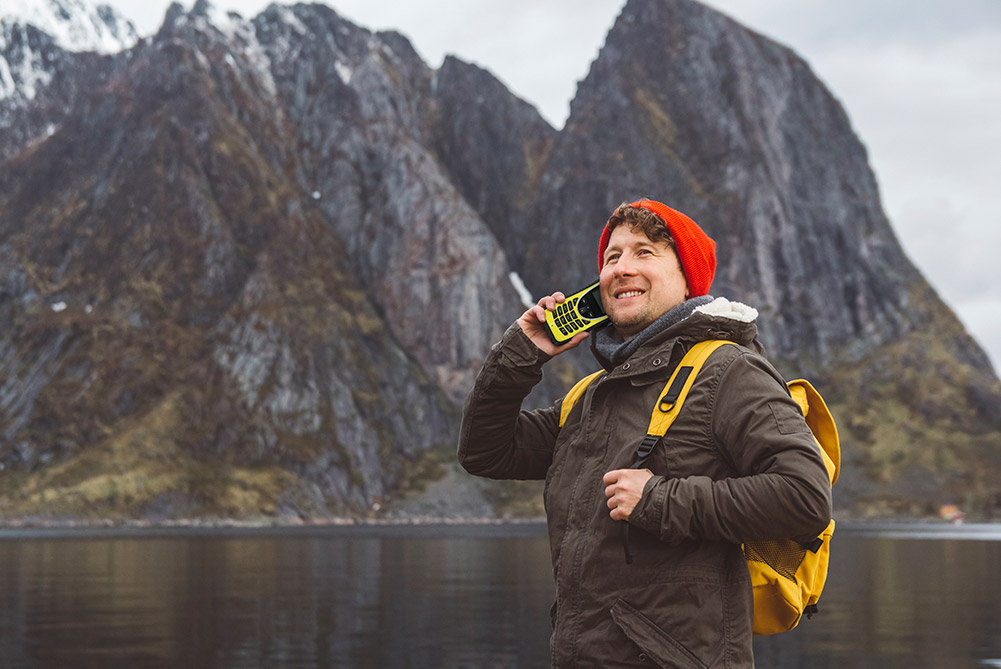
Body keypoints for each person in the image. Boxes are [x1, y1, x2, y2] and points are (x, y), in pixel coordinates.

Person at [458, 199, 832, 668]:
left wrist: (660, 500)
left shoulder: (730, 371)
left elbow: (805, 498)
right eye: (612, 258)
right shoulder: (591, 395)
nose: (622, 268)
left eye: (645, 252)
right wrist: (522, 352)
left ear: (686, 277)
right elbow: (485, 452)